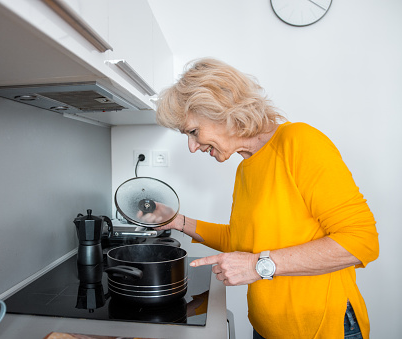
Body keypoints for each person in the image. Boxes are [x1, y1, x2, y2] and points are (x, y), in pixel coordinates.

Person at [144, 58, 379, 338]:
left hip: (320, 328)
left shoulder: (299, 142)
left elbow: (361, 241)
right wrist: (178, 221)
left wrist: (258, 266)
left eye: (193, 132)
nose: (192, 147)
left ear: (222, 109)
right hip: (266, 329)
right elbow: (246, 241)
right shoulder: (246, 168)